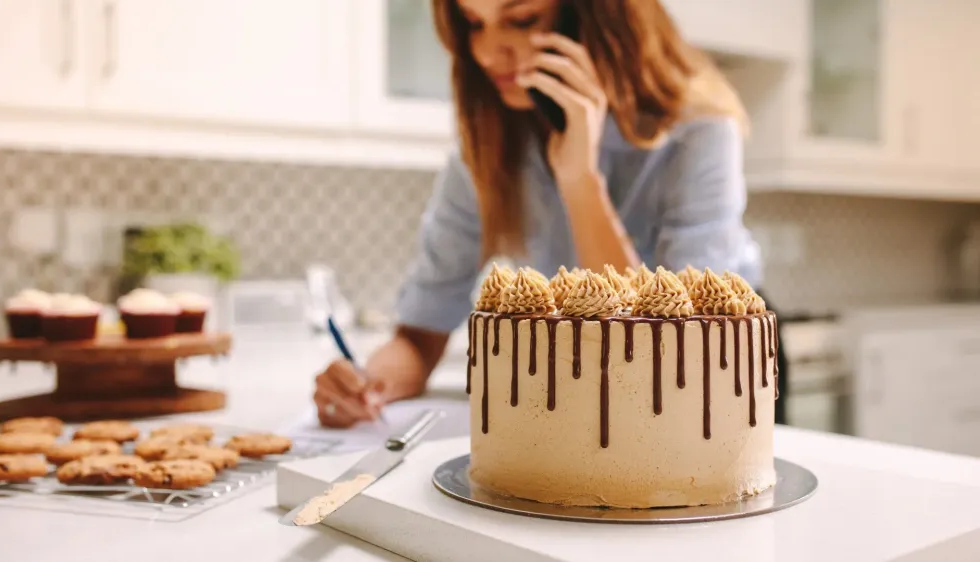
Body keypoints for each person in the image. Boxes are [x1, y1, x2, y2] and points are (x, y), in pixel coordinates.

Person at [313, 0, 788, 428]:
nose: (489, 53)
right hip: (588, 370)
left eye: (521, 20)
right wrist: (365, 384)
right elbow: (421, 334)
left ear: (599, 16)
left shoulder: (699, 127)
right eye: (474, 23)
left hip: (719, 371)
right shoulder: (489, 143)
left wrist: (580, 180)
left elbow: (671, 353)